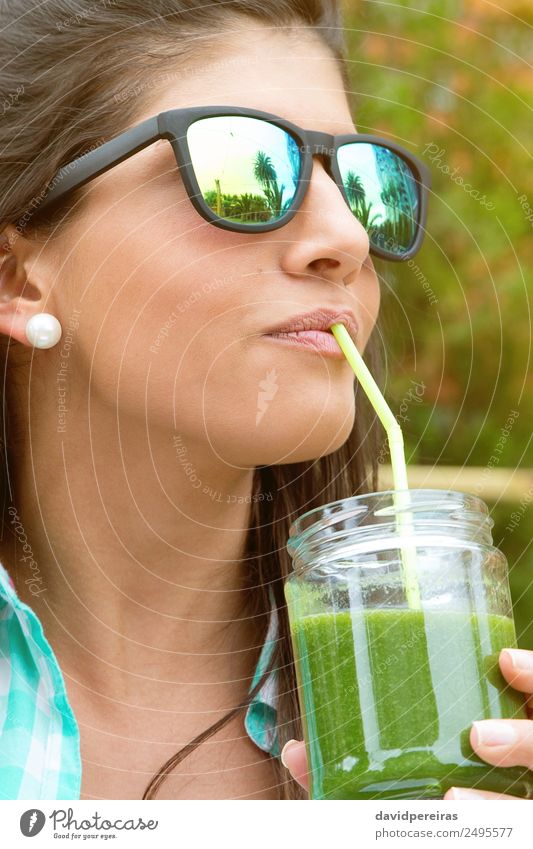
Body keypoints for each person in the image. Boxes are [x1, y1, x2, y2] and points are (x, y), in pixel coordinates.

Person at [1, 0, 531, 802]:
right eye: (241, 164)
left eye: (361, 180)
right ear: (17, 276)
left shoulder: (456, 699)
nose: (348, 236)